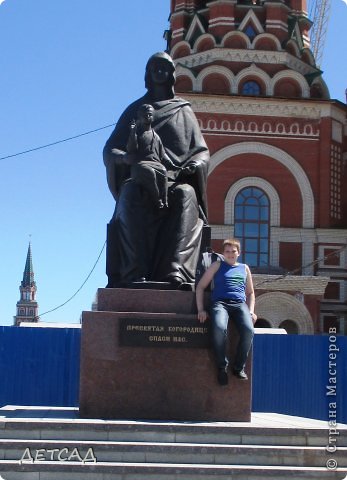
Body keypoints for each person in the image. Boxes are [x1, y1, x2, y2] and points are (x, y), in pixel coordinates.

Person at [103, 52, 210, 287]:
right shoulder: (135, 110)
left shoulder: (184, 110)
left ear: (172, 74)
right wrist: (127, 159)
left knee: (186, 195)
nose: (160, 72)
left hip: (176, 179)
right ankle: (134, 274)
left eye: (165, 68)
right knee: (130, 195)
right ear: (148, 75)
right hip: (140, 178)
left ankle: (177, 272)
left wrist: (196, 164)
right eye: (155, 68)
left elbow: (202, 151)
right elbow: (110, 149)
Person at [196, 238, 257, 386]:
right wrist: (201, 309)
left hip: (239, 304)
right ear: (223, 253)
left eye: (233, 251)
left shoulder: (244, 268)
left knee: (249, 331)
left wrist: (251, 311)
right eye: (227, 251)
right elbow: (200, 287)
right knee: (219, 328)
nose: (230, 254)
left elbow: (250, 293)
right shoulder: (217, 265)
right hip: (220, 303)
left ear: (239, 253)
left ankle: (238, 368)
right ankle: (222, 366)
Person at [127, 104, 176, 209]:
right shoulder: (138, 133)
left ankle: (164, 200)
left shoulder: (155, 135)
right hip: (140, 165)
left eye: (149, 114)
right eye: (144, 115)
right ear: (139, 117)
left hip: (156, 164)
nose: (147, 117)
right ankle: (157, 199)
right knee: (149, 172)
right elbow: (131, 149)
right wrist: (132, 132)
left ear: (153, 117)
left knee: (163, 171)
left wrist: (174, 165)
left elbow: (163, 154)